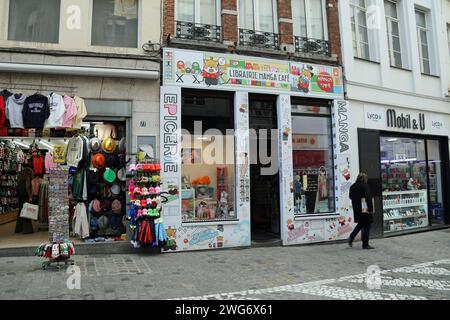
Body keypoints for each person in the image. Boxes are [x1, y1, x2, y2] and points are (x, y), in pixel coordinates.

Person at [348, 173, 374, 249]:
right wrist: (371, 209)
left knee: (360, 224)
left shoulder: (352, 186)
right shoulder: (364, 185)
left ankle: (351, 237)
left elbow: (350, 197)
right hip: (365, 209)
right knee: (367, 225)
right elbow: (368, 197)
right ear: (364, 179)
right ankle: (365, 244)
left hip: (357, 209)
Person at [14, 167, 34, 234]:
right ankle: (27, 229)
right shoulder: (28, 178)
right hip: (25, 196)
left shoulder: (21, 178)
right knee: (26, 212)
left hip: (20, 195)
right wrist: (30, 196)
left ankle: (19, 229)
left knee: (21, 211)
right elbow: (27, 187)